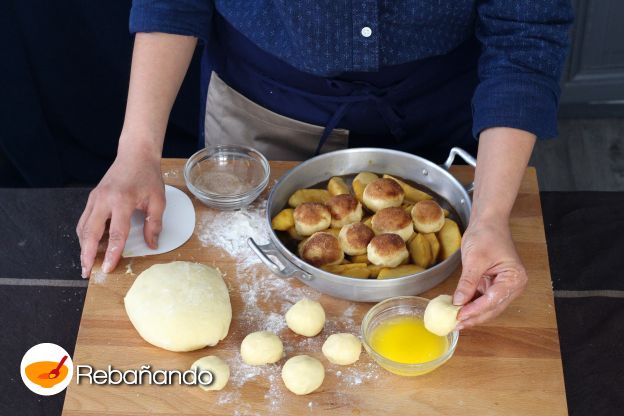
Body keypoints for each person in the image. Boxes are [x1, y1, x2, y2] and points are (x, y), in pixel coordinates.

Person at [77, 1, 573, 330]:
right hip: (261, 114)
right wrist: (137, 152)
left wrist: (487, 216)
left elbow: (526, 30)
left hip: (443, 126)